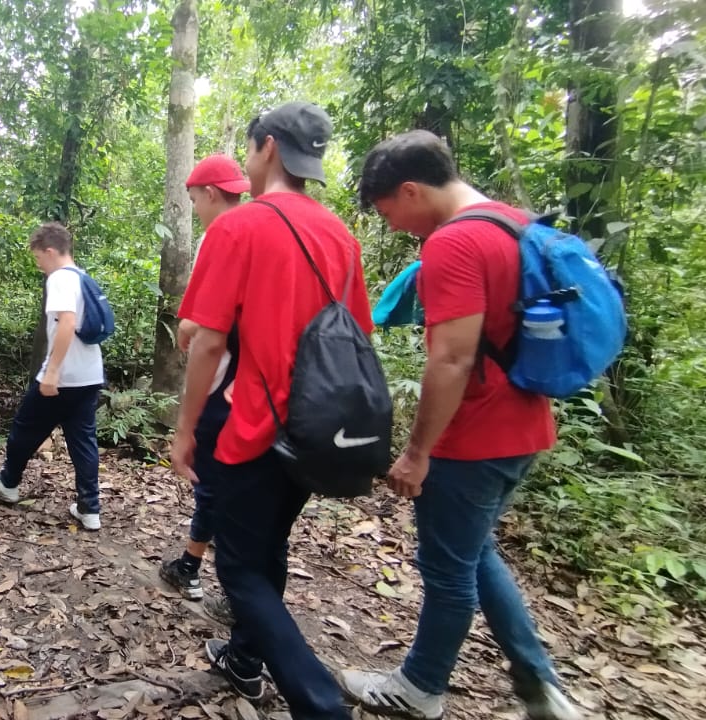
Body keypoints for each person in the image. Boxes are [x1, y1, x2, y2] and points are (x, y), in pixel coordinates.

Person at [338, 129, 581, 720]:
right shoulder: (513, 223)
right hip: (524, 427)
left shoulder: (455, 244)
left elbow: (452, 358)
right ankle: (539, 683)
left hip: (472, 438)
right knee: (474, 554)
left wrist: (418, 452)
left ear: (412, 189)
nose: (393, 225)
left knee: (447, 569)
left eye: (388, 210)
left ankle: (421, 685)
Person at [170, 103, 368, 717]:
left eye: (252, 148)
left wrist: (184, 427)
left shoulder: (238, 228)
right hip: (316, 431)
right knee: (269, 546)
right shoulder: (341, 237)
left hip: (251, 425)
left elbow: (206, 339)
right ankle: (245, 660)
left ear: (269, 148)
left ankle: (317, 701)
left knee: (239, 568)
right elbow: (356, 334)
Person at [158, 154, 247, 617]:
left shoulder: (226, 234)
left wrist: (184, 426)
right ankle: (192, 564)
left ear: (211, 194)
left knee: (214, 483)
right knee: (223, 486)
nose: (196, 208)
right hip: (264, 389)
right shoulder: (266, 231)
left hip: (226, 388)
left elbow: (211, 337)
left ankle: (233, 592)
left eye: (194, 199)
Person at [0, 222, 104, 531]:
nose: (39, 265)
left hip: (64, 376)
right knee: (83, 440)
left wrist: (52, 372)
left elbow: (68, 323)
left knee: (24, 427)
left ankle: (8, 483)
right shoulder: (83, 278)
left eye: (38, 258)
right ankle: (90, 508)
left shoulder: (59, 279)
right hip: (89, 374)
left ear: (50, 251)